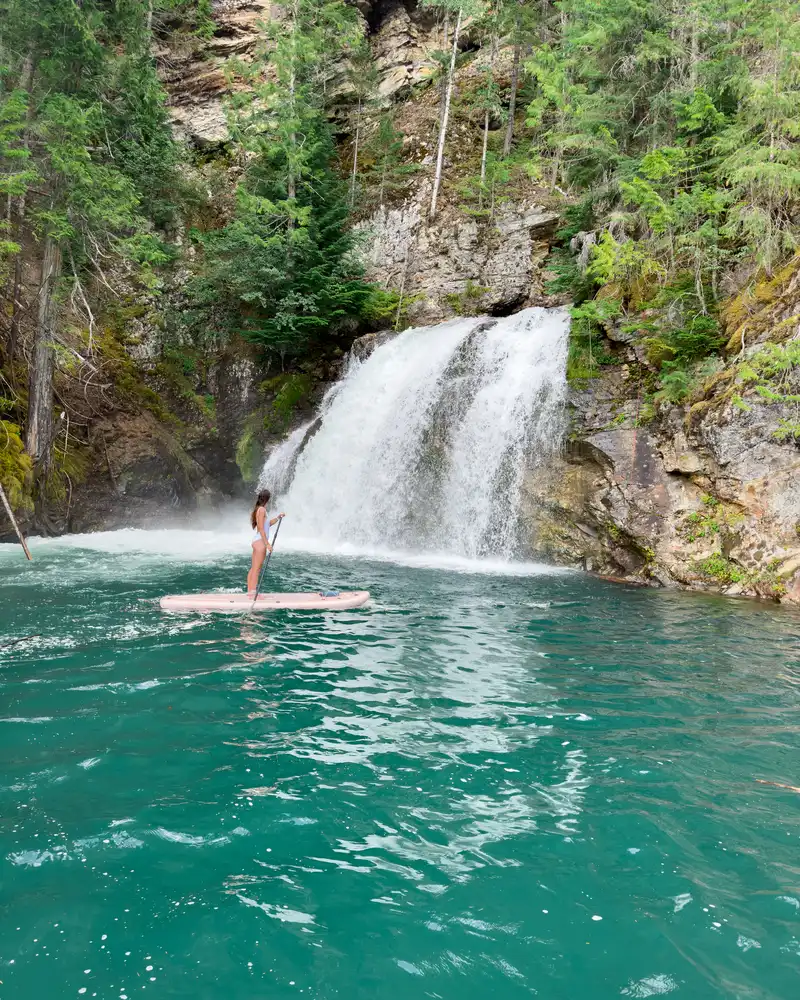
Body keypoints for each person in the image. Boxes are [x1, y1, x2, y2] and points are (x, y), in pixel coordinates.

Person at [247, 489, 285, 594]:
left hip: (257, 540)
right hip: (260, 542)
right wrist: (267, 544)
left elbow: (266, 524)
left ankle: (250, 591)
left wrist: (278, 517)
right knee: (257, 569)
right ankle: (253, 593)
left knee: (253, 568)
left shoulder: (259, 509)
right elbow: (260, 527)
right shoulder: (262, 510)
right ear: (267, 499)